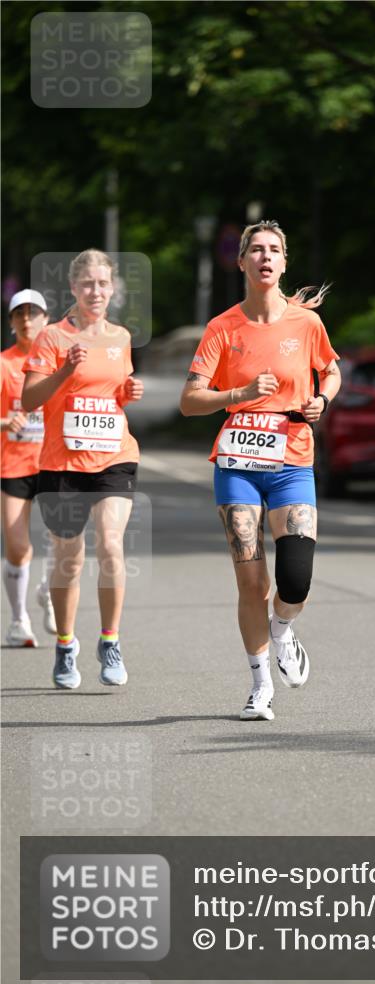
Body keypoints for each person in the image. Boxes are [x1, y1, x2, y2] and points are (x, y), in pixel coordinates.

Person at [180, 220, 341, 720]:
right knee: (250, 583)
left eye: (274, 250)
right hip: (238, 464)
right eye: (256, 250)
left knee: (295, 581)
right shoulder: (223, 328)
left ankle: (283, 628)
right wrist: (239, 395)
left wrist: (321, 399)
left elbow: (331, 369)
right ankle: (259, 684)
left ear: (284, 262)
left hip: (292, 458)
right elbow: (189, 401)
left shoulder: (306, 324)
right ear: (242, 262)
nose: (265, 257)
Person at [21, 249, 144, 689]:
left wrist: (129, 393)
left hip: (114, 455)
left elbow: (112, 397)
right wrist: (64, 373)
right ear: (73, 288)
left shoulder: (121, 337)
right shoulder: (52, 338)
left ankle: (110, 640)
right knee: (69, 560)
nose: (96, 291)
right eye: (87, 283)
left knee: (111, 544)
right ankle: (66, 645)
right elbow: (31, 400)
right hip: (62, 462)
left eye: (103, 283)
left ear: (113, 289)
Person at [1, 289, 56, 645]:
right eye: (19, 314)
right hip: (14, 465)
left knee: (63, 541)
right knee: (18, 545)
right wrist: (5, 423)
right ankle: (19, 620)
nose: (26, 320)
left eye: (33, 313)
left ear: (45, 320)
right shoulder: (4, 364)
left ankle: (48, 590)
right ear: (11, 322)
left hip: (54, 461)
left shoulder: (58, 361)